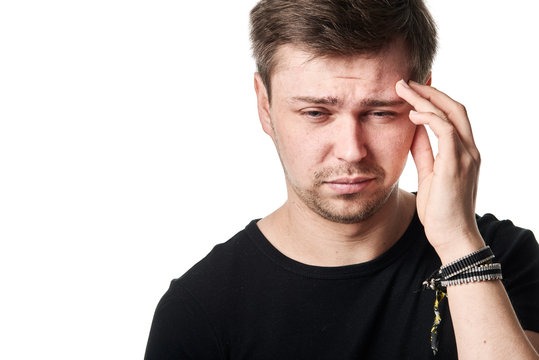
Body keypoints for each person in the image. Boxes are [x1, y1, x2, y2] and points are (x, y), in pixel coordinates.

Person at [144, 0, 539, 358]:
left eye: (381, 112)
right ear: (265, 107)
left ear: (426, 104)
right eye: (316, 113)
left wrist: (458, 244)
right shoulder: (199, 310)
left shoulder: (500, 254)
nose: (352, 150)